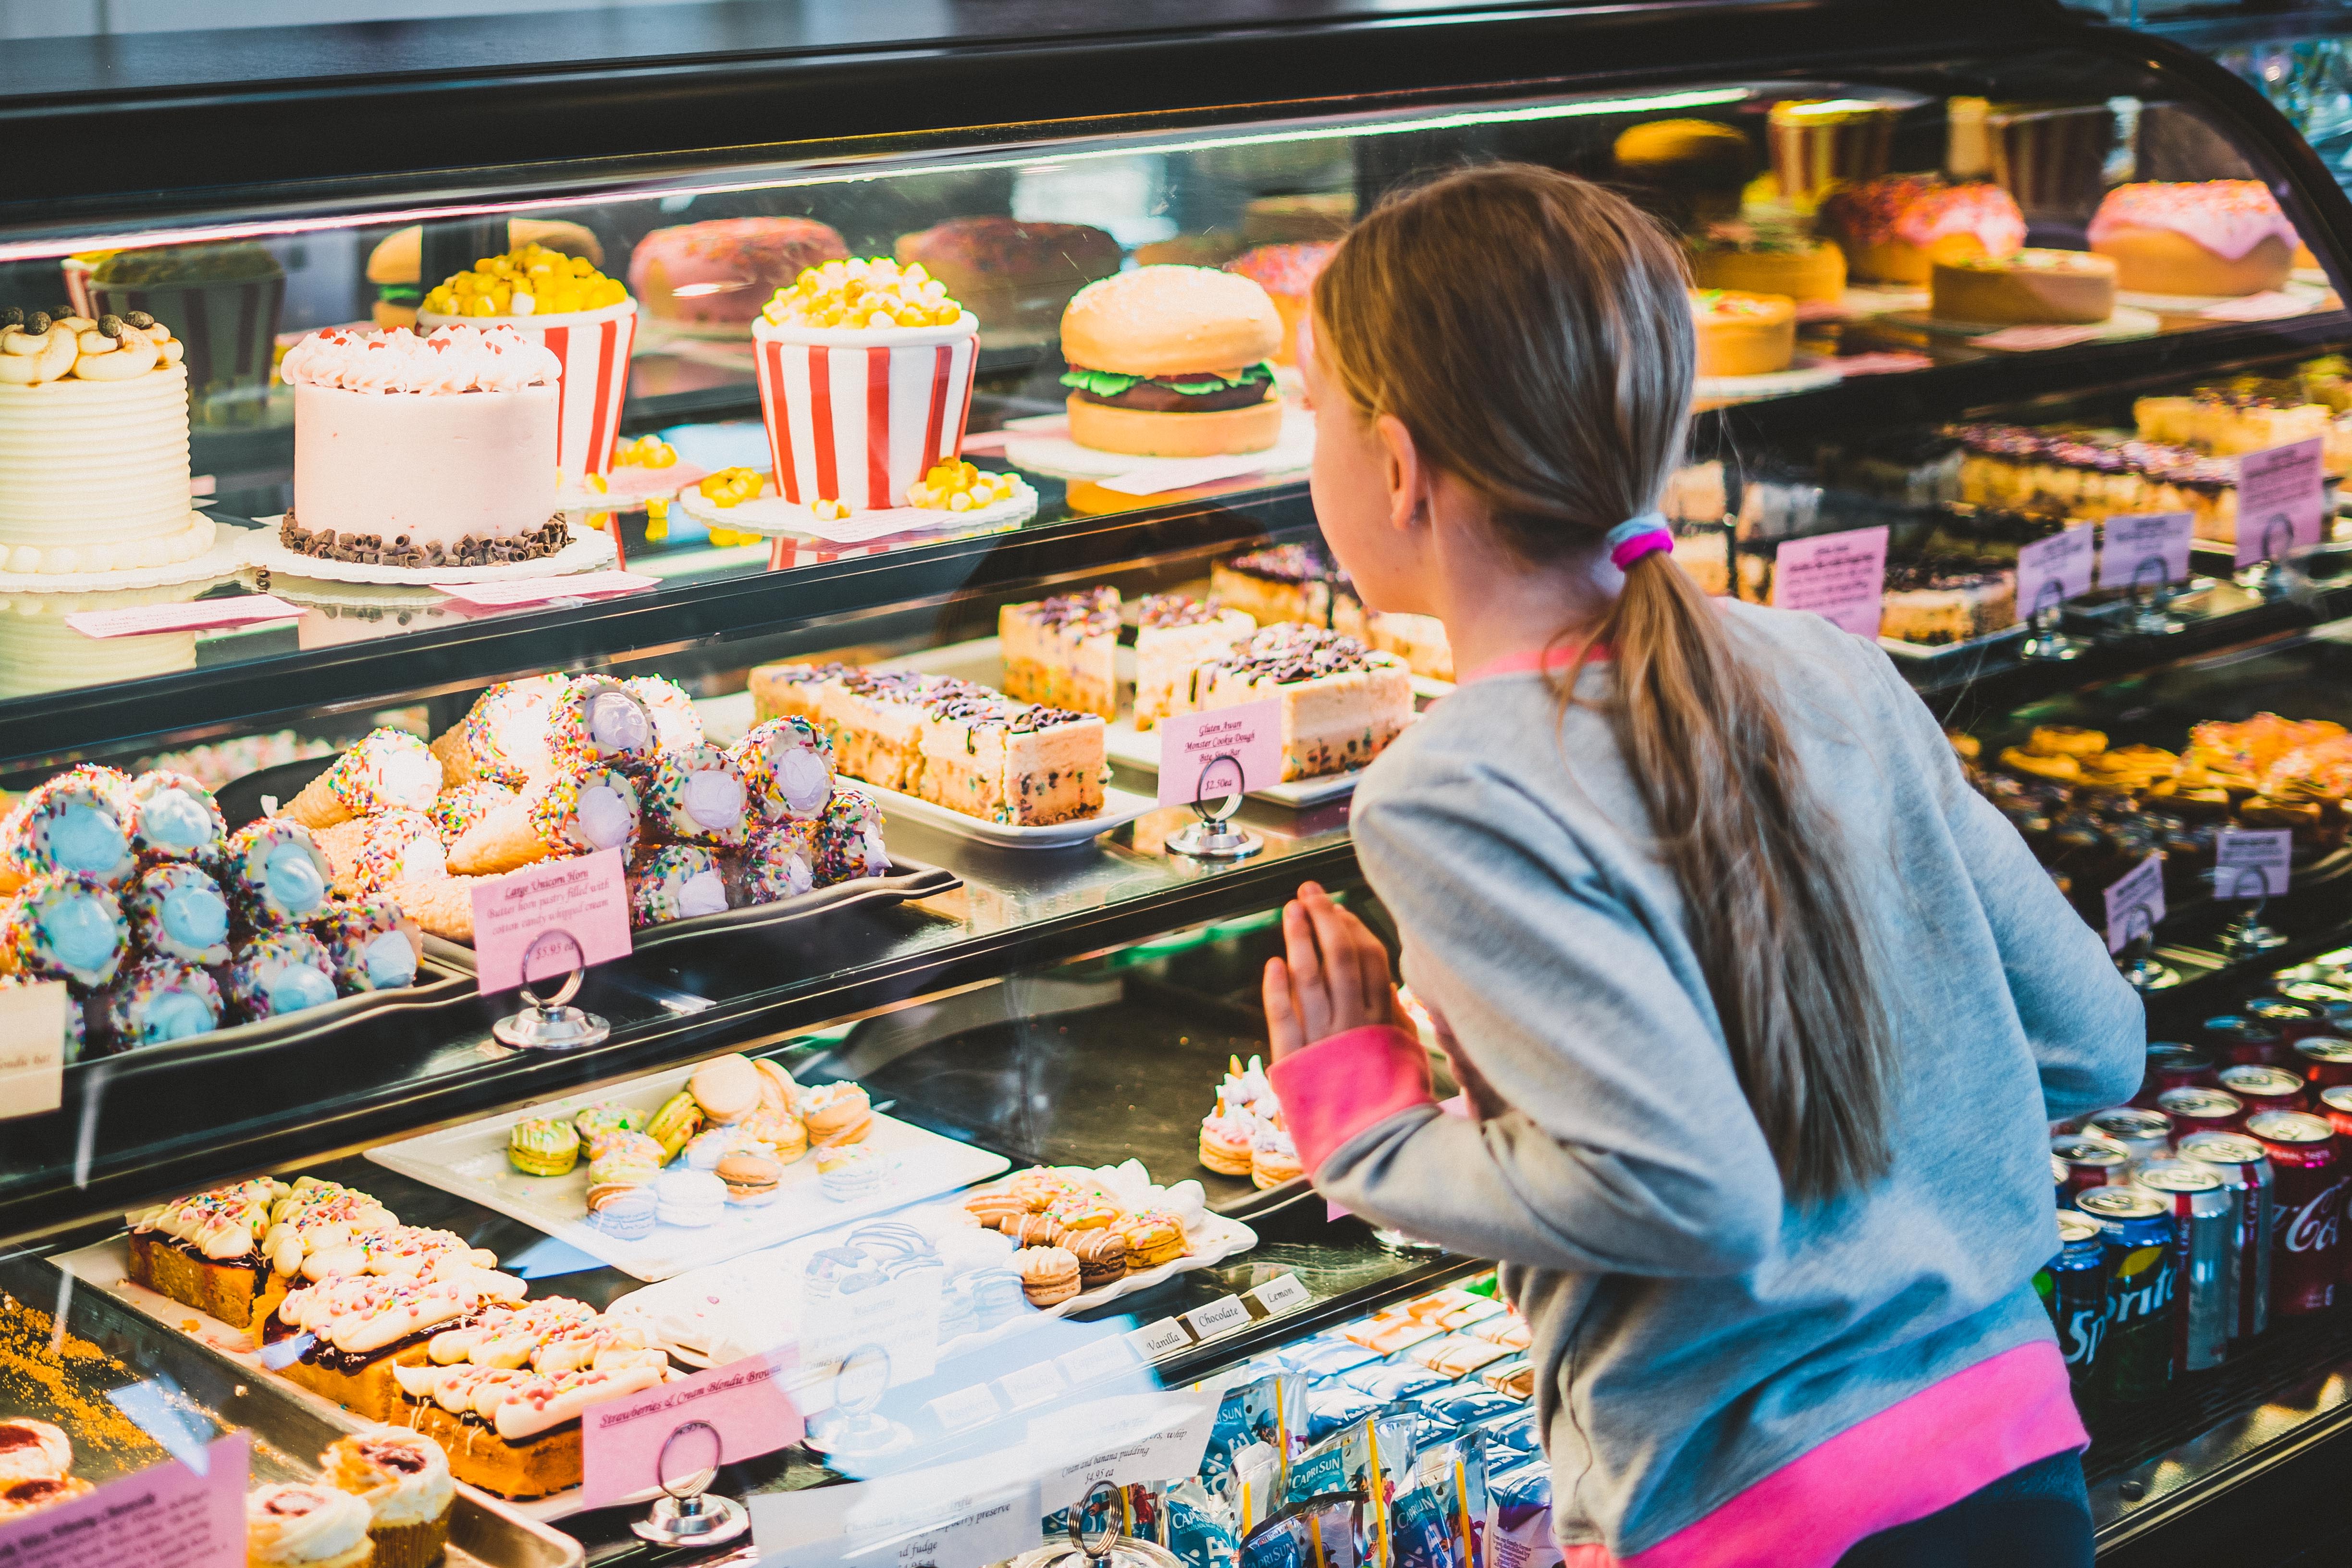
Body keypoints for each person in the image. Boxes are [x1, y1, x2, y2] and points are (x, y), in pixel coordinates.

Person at [1259, 163, 2143, 1568]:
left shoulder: (1456, 785)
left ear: (1397, 462)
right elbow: (2098, 1040)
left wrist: (1367, 1133)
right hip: (2017, 1456)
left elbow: (1689, 1191)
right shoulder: (1827, 668)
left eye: (1308, 412)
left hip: (1766, 1521)